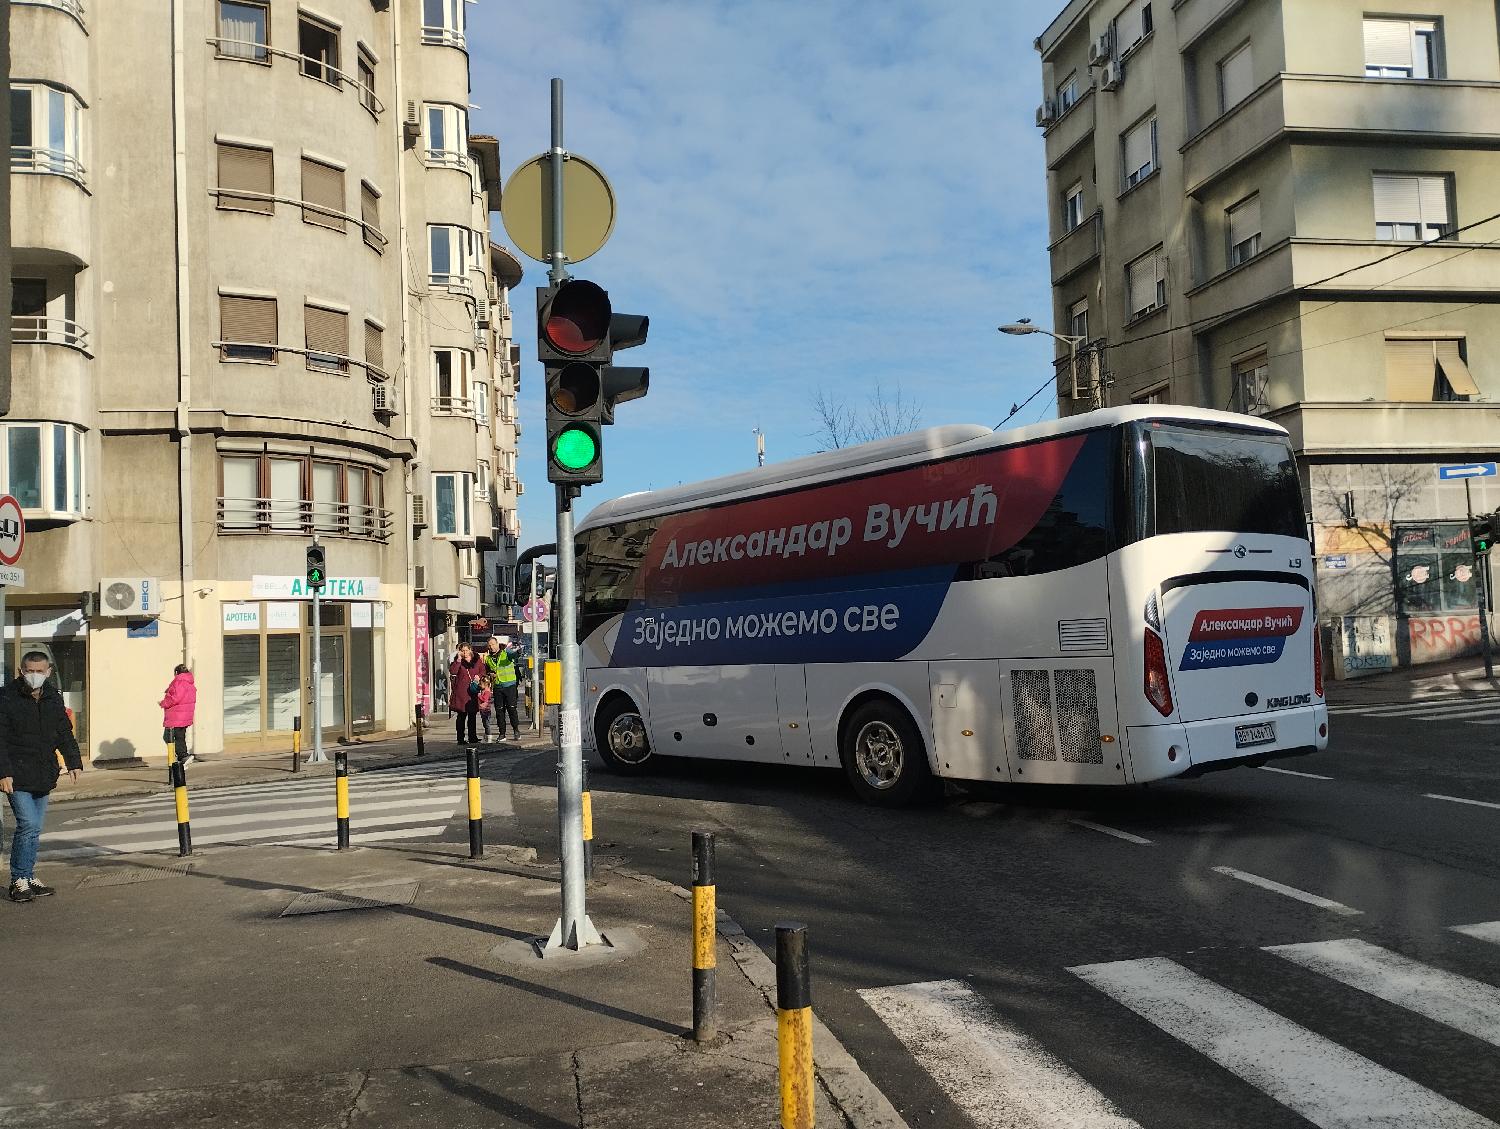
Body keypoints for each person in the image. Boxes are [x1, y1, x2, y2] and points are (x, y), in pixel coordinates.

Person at [0, 650, 84, 903]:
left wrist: (73, 761)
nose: (34, 676)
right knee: (28, 825)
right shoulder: (6, 697)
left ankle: (28, 876)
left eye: (39, 671)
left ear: (48, 672)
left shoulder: (52, 698)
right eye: (29, 671)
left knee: (34, 829)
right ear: (20, 671)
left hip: (43, 771)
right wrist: (3, 771)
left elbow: (63, 732)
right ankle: (18, 881)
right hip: (16, 773)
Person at [484, 635, 522, 741]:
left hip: (509, 685)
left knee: (511, 708)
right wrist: (490, 674)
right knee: (499, 711)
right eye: (489, 645)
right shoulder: (488, 658)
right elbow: (487, 671)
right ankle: (502, 733)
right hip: (497, 687)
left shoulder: (506, 653)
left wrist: (518, 651)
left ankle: (516, 730)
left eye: (493, 644)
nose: (491, 647)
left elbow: (514, 655)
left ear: (497, 644)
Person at [159, 663, 197, 768]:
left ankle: (183, 757)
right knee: (180, 737)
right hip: (185, 716)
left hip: (176, 716)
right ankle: (182, 760)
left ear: (176, 673)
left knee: (168, 737)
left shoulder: (179, 682)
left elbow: (175, 698)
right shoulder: (190, 683)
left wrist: (163, 703)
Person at [448, 643, 485, 745]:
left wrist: (479, 676)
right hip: (461, 692)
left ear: (470, 650)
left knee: (472, 715)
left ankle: (473, 737)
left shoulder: (477, 660)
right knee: (461, 715)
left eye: (466, 650)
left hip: (472, 691)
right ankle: (460, 738)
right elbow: (453, 671)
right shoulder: (457, 661)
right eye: (462, 650)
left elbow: (482, 670)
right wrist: (459, 659)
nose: (465, 652)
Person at [476, 673, 495, 743]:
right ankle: (486, 736)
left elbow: (484, 699)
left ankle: (489, 736)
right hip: (482, 709)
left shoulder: (487, 692)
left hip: (486, 710)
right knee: (485, 724)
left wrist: (479, 696)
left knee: (486, 724)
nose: (480, 686)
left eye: (481, 684)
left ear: (486, 684)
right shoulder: (484, 690)